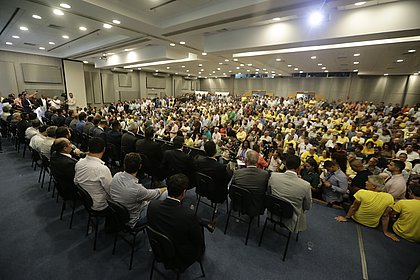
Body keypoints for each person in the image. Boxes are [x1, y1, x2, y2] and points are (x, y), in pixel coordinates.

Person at [147, 174, 206, 271]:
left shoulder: (152, 205)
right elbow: (197, 241)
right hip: (179, 257)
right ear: (183, 193)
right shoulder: (188, 215)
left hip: (158, 248)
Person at [110, 153, 167, 228]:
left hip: (117, 215)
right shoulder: (138, 190)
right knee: (165, 193)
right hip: (133, 220)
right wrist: (165, 188)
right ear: (140, 166)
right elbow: (156, 193)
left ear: (124, 164)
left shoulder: (116, 176)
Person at [269, 155, 312, 233]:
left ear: (285, 165)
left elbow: (269, 193)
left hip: (272, 212)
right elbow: (307, 206)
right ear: (298, 168)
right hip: (290, 218)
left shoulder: (273, 176)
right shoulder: (306, 185)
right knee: (302, 209)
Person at [74, 137, 112, 211]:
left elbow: (76, 181)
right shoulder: (102, 169)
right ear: (104, 150)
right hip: (100, 205)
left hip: (85, 200)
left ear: (88, 148)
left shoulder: (79, 163)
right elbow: (111, 191)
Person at [230, 150, 269, 214]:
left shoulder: (237, 173)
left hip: (239, 204)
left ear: (246, 160)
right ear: (257, 161)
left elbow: (231, 190)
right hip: (256, 206)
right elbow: (266, 191)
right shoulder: (265, 174)